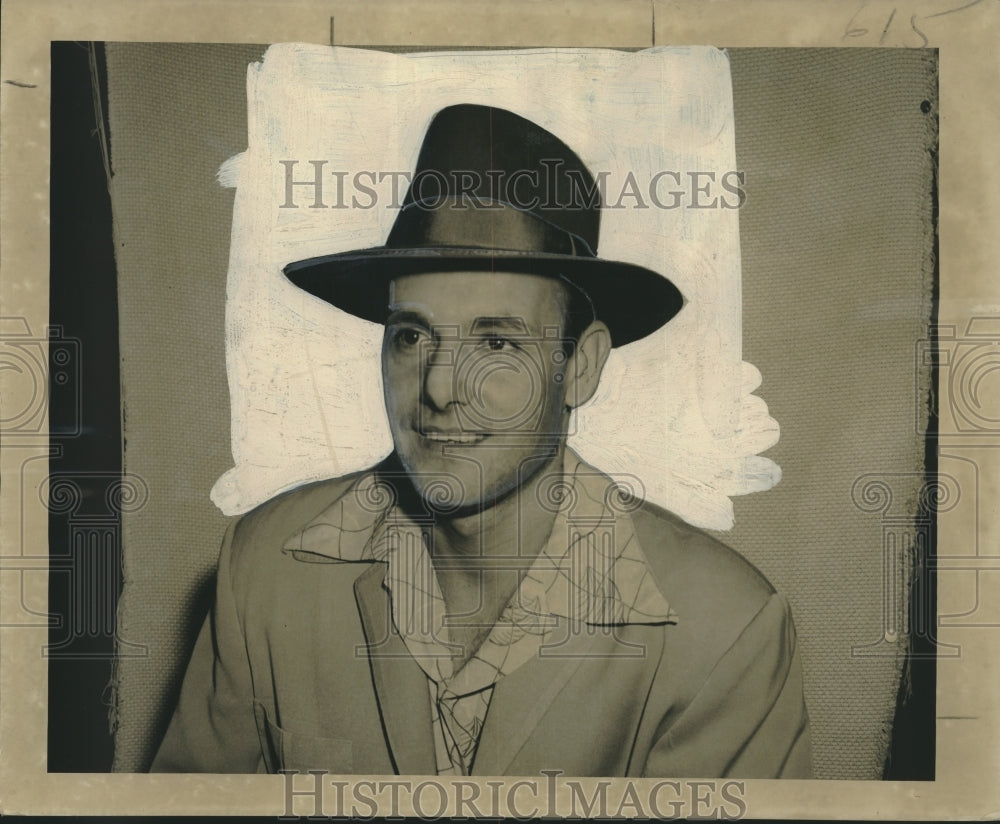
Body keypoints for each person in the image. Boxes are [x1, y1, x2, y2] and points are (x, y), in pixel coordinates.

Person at [151, 104, 811, 777]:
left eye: (496, 341)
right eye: (412, 335)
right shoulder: (263, 572)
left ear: (578, 366)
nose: (439, 387)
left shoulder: (725, 630)